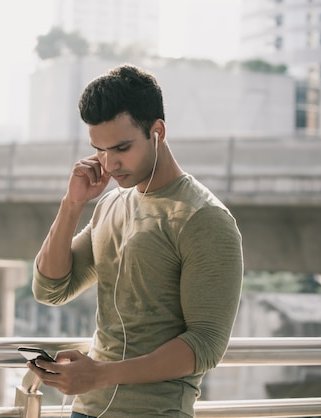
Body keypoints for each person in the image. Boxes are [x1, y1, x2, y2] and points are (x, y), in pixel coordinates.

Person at [27, 64, 244, 417]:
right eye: (99, 150)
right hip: (86, 410)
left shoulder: (202, 218)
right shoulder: (110, 204)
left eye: (122, 148)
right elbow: (51, 289)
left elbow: (205, 345)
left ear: (157, 131)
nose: (109, 164)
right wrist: (73, 204)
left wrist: (98, 375)